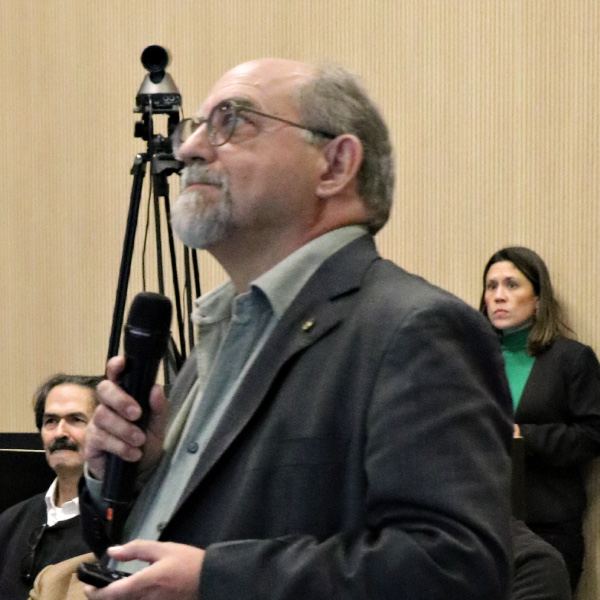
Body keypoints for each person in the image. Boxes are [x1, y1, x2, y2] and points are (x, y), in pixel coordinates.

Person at [80, 58, 514, 600]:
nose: (187, 149)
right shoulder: (222, 326)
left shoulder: (414, 330)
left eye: (232, 121)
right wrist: (128, 477)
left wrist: (216, 582)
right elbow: (160, 536)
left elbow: (454, 568)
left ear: (334, 164)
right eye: (194, 126)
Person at [480, 246, 600, 591]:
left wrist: (522, 436)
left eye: (512, 285)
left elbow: (594, 434)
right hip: (483, 527)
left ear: (537, 298)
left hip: (547, 528)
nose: (499, 296)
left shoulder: (571, 359)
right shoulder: (469, 358)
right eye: (491, 287)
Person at [0, 373, 102, 600]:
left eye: (76, 420)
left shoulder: (124, 527)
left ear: (108, 432)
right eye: (51, 421)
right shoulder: (10, 522)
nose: (60, 433)